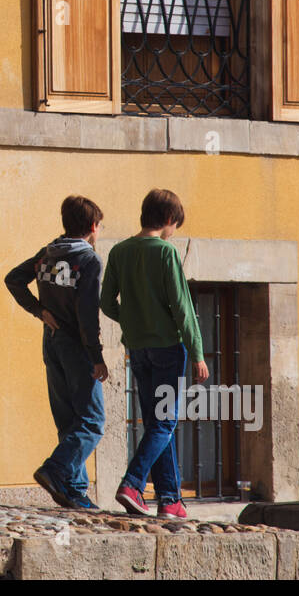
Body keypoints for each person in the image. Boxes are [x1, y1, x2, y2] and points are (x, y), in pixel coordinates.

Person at [100, 188, 208, 519]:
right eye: (175, 225)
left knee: (157, 423)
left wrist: (132, 322)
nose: (174, 232)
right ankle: (132, 484)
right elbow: (182, 307)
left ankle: (170, 499)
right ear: (167, 220)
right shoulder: (165, 253)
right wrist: (198, 352)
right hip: (167, 349)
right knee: (165, 421)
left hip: (138, 348)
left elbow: (106, 303)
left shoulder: (120, 251)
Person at [4, 195, 109, 511]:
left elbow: (13, 279)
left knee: (69, 420)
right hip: (77, 346)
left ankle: (74, 490)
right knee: (91, 421)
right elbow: (87, 314)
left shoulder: (47, 255)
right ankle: (56, 469)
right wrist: (96, 356)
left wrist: (39, 311)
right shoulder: (88, 261)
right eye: (100, 226)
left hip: (51, 342)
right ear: (93, 227)